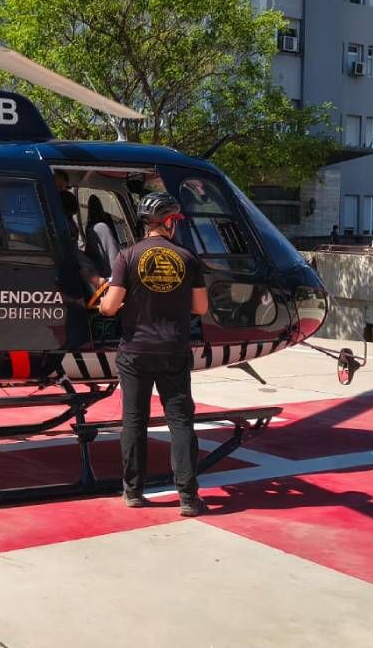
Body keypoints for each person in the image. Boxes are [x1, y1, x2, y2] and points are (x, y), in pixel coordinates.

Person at [99, 192, 209, 517]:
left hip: (135, 351)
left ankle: (133, 491)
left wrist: (112, 292)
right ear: (170, 222)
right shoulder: (187, 258)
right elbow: (200, 307)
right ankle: (188, 498)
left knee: (134, 421)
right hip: (173, 350)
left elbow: (109, 307)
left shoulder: (127, 256)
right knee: (180, 423)